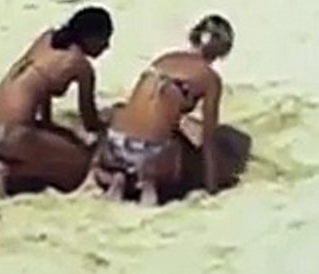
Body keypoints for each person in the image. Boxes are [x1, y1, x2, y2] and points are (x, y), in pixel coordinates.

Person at [93, 14, 237, 205]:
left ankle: (119, 177)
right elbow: (208, 140)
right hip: (150, 155)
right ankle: (147, 180)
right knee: (179, 149)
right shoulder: (210, 79)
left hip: (114, 146)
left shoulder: (164, 59)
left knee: (124, 116)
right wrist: (212, 187)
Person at [0, 6, 113, 196]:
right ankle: (11, 171)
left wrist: (47, 125)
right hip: (13, 133)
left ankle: (0, 160)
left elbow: (40, 88)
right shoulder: (80, 66)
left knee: (58, 140)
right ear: (90, 37)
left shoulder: (47, 39)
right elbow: (90, 122)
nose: (106, 46)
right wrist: (108, 125)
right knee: (79, 164)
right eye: (104, 39)